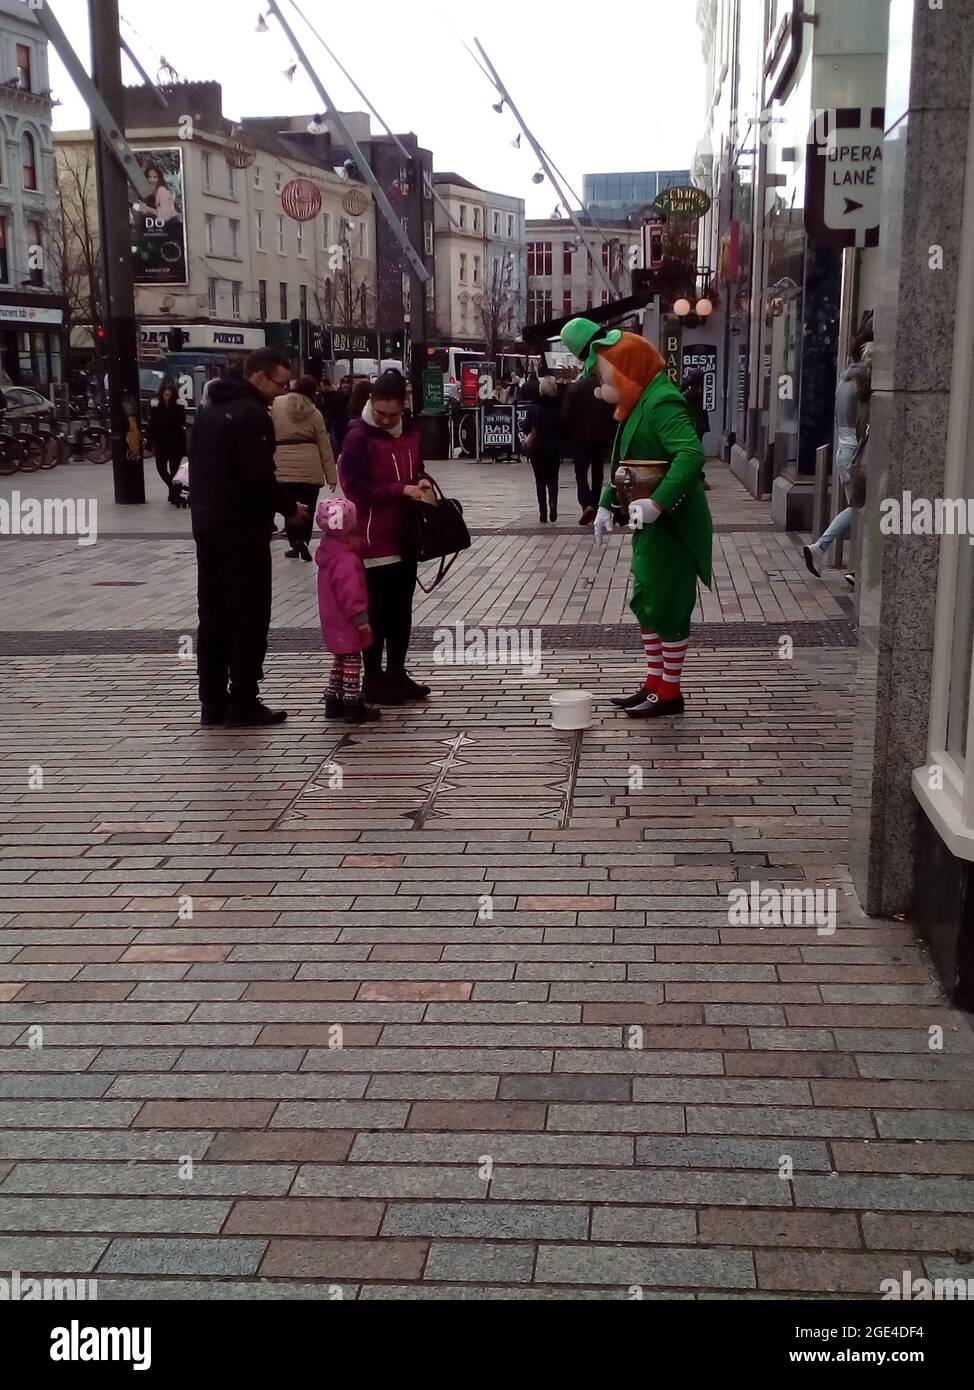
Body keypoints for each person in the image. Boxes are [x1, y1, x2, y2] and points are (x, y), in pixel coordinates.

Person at [561, 316, 713, 719]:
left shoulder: (661, 401)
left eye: (605, 379)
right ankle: (654, 682)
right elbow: (624, 463)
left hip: (673, 525)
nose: (599, 389)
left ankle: (670, 691)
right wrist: (607, 505)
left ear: (630, 372)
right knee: (645, 600)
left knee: (668, 603)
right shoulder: (638, 402)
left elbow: (690, 454)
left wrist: (658, 503)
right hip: (648, 523)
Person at [190, 347, 310, 727]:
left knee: (212, 616)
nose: (280, 391)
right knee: (248, 615)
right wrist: (291, 508)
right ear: (258, 376)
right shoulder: (252, 414)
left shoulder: (208, 411)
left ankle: (211, 702)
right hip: (242, 532)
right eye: (279, 382)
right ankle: (243, 698)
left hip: (207, 528)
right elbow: (258, 477)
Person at [339, 369, 435, 705]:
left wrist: (420, 481)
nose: (384, 419)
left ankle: (397, 671)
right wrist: (400, 489)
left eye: (392, 414)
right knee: (376, 611)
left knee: (401, 608)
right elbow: (355, 487)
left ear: (403, 407)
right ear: (370, 401)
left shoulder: (409, 430)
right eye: (379, 412)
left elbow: (415, 466)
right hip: (371, 538)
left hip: (404, 535)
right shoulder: (357, 436)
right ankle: (374, 677)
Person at [803, 348, 872, 578]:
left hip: (844, 449)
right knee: (862, 508)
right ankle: (827, 551)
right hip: (858, 451)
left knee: (859, 507)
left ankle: (822, 549)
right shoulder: (863, 385)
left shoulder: (844, 381)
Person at [315, 496, 380, 725]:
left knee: (340, 659)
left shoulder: (329, 552)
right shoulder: (346, 560)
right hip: (347, 620)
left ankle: (333, 697)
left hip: (332, 619)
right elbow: (350, 592)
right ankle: (352, 701)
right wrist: (360, 618)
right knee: (353, 659)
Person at [271, 374, 337, 562]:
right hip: (310, 467)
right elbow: (324, 445)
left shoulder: (277, 404)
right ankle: (304, 540)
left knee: (289, 505)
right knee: (308, 506)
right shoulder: (315, 412)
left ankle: (293, 542)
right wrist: (331, 476)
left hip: (283, 464)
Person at [562, 370, 617, 525]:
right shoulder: (605, 388)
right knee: (598, 473)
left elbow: (566, 414)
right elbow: (614, 413)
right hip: (601, 437)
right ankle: (593, 503)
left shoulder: (575, 388)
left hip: (579, 438)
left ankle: (586, 503)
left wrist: (568, 434)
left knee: (580, 473)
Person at [521, 375, 564, 524]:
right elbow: (564, 427)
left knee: (540, 480)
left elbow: (525, 426)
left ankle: (543, 512)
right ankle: (553, 504)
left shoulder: (534, 407)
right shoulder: (560, 407)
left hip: (537, 449)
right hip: (554, 448)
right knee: (553, 479)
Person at [147, 379, 186, 505]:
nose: (167, 398)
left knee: (174, 469)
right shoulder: (156, 405)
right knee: (161, 468)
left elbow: (180, 423)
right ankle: (174, 489)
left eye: (170, 395)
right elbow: (152, 424)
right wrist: (149, 442)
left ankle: (173, 494)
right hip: (161, 441)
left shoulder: (179, 406)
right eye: (165, 395)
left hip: (176, 442)